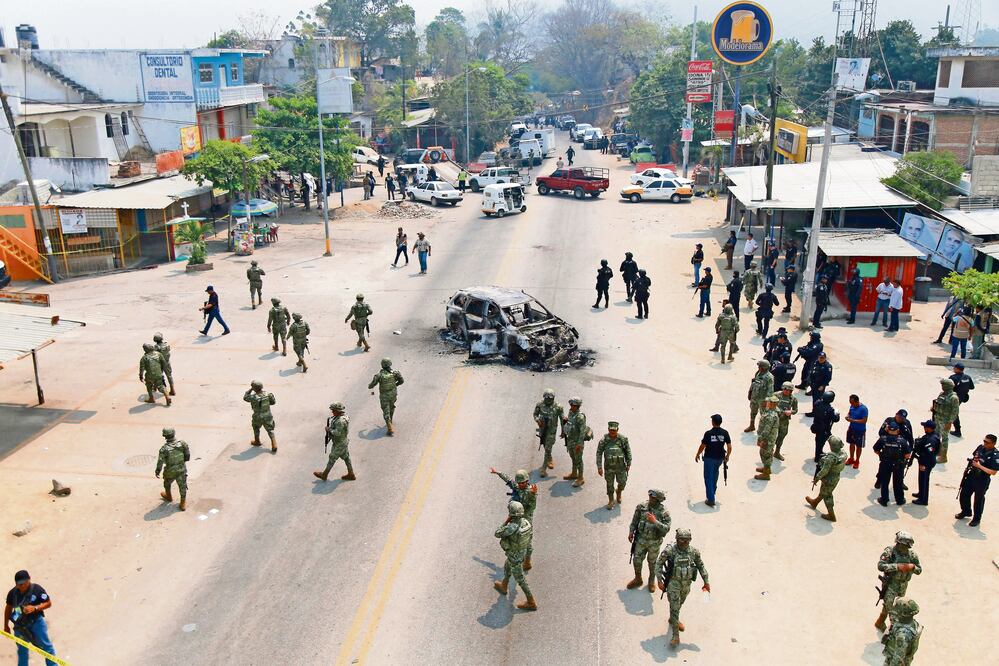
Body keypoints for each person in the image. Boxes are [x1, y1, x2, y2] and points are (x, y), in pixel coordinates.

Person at [655, 529, 709, 648]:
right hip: (673, 585)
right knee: (674, 607)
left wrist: (706, 582)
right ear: (677, 539)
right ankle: (675, 636)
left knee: (680, 604)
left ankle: (673, 619)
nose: (684, 542)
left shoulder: (693, 552)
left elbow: (701, 566)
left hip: (686, 585)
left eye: (687, 540)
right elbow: (658, 564)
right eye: (681, 540)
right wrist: (659, 580)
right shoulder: (670, 551)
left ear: (690, 540)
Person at [4, 570, 57, 666]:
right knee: (22, 651)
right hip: (20, 627)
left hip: (36, 623)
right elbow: (8, 608)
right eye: (19, 584)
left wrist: (35, 608)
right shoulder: (12, 594)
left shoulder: (37, 589)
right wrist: (6, 625)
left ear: (29, 579)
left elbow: (48, 603)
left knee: (47, 647)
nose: (22, 586)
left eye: (24, 583)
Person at [493, 500, 537, 610]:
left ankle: (531, 602)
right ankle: (504, 585)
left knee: (520, 579)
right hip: (521, 552)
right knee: (507, 566)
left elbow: (497, 533)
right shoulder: (526, 522)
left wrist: (506, 521)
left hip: (514, 556)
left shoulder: (512, 527)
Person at [491, 468, 538, 569]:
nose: (520, 485)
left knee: (527, 541)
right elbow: (508, 480)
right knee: (512, 538)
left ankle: (527, 561)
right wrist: (498, 472)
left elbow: (532, 507)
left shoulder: (531, 492)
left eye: (522, 483)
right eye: (519, 483)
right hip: (516, 516)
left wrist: (533, 495)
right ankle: (516, 556)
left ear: (527, 481)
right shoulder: (517, 486)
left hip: (526, 519)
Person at [874, 531, 921, 631]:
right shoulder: (890, 551)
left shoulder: (912, 555)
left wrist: (912, 567)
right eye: (902, 545)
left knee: (897, 606)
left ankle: (880, 622)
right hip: (891, 584)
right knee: (892, 609)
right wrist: (897, 567)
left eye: (906, 546)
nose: (904, 548)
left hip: (903, 585)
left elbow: (919, 570)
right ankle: (893, 631)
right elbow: (881, 566)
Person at [627, 489, 672, 592]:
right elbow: (634, 521)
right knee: (637, 560)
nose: (650, 498)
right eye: (650, 496)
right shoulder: (642, 507)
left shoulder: (664, 513)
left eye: (653, 497)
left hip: (654, 543)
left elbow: (666, 528)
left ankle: (651, 581)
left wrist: (655, 521)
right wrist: (631, 531)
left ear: (659, 500)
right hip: (641, 540)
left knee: (652, 563)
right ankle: (638, 579)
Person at [956, 433, 999, 527]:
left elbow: (993, 472)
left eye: (987, 442)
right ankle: (966, 511)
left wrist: (979, 466)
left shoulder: (995, 455)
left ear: (993, 444)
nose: (984, 443)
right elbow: (974, 457)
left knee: (978, 500)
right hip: (972, 475)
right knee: (964, 494)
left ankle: (976, 519)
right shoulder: (980, 447)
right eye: (984, 441)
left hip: (982, 479)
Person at [804, 435, 847, 521]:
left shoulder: (830, 458)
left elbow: (825, 470)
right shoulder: (843, 454)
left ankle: (831, 515)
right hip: (836, 476)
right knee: (824, 491)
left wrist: (817, 478)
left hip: (829, 478)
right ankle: (814, 502)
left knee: (827, 495)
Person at [873, 421, 911, 507]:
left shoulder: (883, 439)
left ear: (888, 429)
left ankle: (884, 500)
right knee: (898, 482)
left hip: (885, 464)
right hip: (898, 465)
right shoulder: (902, 441)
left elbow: (875, 449)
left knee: (885, 482)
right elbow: (908, 454)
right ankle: (900, 500)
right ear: (898, 430)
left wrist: (881, 455)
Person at [696, 414, 731, 507]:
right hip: (720, 458)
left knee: (708, 477)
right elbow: (729, 446)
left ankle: (711, 499)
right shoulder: (725, 433)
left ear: (713, 422)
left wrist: (698, 454)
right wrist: (727, 456)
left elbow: (702, 446)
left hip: (709, 458)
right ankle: (713, 491)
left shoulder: (708, 433)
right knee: (715, 474)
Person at [596, 421, 632, 509]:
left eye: (614, 430)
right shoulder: (603, 441)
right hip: (609, 468)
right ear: (608, 429)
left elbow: (628, 451)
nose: (612, 432)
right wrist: (599, 467)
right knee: (609, 484)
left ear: (617, 430)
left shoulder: (623, 439)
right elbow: (599, 453)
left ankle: (619, 491)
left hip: (621, 467)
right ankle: (611, 500)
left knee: (622, 483)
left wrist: (629, 463)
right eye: (611, 430)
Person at [315, 402, 355, 481]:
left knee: (332, 458)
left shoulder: (340, 421)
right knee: (346, 457)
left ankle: (324, 475)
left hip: (339, 443)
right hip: (342, 442)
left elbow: (337, 433)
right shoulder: (342, 417)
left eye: (333, 410)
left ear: (338, 411)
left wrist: (329, 429)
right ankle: (351, 474)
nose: (332, 412)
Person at [155, 427, 190, 511]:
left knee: (167, 483)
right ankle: (183, 503)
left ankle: (169, 496)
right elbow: (187, 456)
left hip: (170, 471)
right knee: (182, 486)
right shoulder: (182, 443)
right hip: (181, 469)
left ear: (164, 436)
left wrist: (157, 471)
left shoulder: (164, 449)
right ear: (174, 433)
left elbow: (160, 461)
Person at [533, 389, 565, 477]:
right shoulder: (539, 404)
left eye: (550, 399)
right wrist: (538, 420)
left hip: (552, 430)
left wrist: (563, 431)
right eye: (546, 398)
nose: (548, 400)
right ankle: (549, 458)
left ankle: (543, 468)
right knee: (544, 444)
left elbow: (562, 419)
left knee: (548, 448)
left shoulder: (558, 407)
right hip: (542, 429)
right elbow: (535, 414)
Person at [368, 358, 404, 436]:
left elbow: (371, 385)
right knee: (392, 406)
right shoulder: (395, 373)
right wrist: (395, 385)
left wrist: (369, 386)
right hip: (393, 394)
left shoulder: (379, 375)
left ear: (382, 365)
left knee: (385, 410)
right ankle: (390, 420)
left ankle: (389, 427)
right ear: (390, 364)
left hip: (384, 395)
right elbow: (401, 381)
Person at [881, 597, 922, 665]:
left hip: (894, 660)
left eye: (897, 609)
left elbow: (898, 659)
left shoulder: (902, 635)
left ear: (903, 613)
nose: (895, 610)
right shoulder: (913, 623)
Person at [562, 397, 591, 486]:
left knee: (578, 460)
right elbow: (569, 424)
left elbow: (582, 431)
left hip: (577, 442)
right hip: (570, 439)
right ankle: (574, 473)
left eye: (574, 405)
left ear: (578, 406)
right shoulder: (571, 413)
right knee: (573, 457)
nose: (572, 407)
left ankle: (580, 478)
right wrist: (564, 431)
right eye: (571, 405)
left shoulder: (580, 417)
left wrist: (579, 444)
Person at [910, 420, 940, 506]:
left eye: (925, 427)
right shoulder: (929, 435)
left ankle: (923, 500)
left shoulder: (932, 439)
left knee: (924, 480)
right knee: (921, 478)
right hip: (924, 460)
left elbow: (929, 453)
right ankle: (921, 493)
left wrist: (923, 463)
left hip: (926, 462)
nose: (924, 428)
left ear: (930, 428)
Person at [932, 377, 961, 463]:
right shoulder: (942, 394)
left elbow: (955, 412)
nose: (942, 387)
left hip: (945, 421)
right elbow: (938, 403)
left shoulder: (953, 398)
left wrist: (950, 422)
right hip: (938, 418)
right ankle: (938, 451)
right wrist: (933, 408)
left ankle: (943, 457)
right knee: (936, 436)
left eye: (944, 385)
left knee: (944, 439)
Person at [243, 380, 277, 453]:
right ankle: (274, 444)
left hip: (257, 416)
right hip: (268, 415)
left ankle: (257, 441)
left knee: (256, 427)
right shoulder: (268, 394)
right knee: (270, 429)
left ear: (254, 388)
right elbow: (273, 402)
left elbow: (245, 397)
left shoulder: (253, 397)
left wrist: (250, 389)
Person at [754, 395, 780, 481]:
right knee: (767, 453)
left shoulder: (770, 416)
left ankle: (766, 475)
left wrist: (760, 439)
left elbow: (766, 430)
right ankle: (766, 469)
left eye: (768, 402)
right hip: (769, 438)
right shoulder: (771, 412)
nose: (766, 402)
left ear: (771, 404)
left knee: (765, 454)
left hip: (767, 439)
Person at [745, 359, 774, 433]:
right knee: (753, 412)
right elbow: (754, 383)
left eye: (760, 366)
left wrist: (766, 401)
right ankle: (752, 426)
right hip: (754, 397)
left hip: (762, 400)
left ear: (764, 367)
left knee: (763, 415)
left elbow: (770, 391)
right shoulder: (758, 373)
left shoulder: (769, 377)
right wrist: (750, 392)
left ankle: (761, 429)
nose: (758, 368)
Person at [810, 391, 840, 463]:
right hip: (824, 429)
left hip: (816, 426)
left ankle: (819, 452)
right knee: (820, 442)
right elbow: (835, 419)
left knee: (818, 441)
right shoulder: (830, 409)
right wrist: (837, 414)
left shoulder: (817, 403)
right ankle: (817, 457)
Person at [139, 343, 171, 407]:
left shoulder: (144, 358)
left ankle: (151, 398)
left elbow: (141, 368)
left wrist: (141, 376)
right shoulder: (159, 354)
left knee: (149, 385)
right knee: (161, 386)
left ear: (145, 350)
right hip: (159, 373)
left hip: (149, 375)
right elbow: (164, 363)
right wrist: (162, 371)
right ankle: (167, 397)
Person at [949, 362, 974, 438]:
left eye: (954, 368)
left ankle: (958, 431)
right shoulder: (968, 377)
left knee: (954, 413)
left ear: (957, 369)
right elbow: (972, 387)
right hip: (962, 398)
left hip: (953, 398)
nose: (953, 369)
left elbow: (948, 388)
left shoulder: (953, 377)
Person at [774, 382, 798, 462]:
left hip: (784, 421)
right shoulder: (776, 395)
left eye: (789, 390)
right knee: (771, 436)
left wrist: (791, 412)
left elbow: (795, 410)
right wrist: (780, 411)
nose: (787, 391)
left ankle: (777, 452)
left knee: (782, 436)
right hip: (774, 419)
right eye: (786, 389)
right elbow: (769, 405)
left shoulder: (793, 399)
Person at [844, 394, 869, 469]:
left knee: (858, 446)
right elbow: (849, 412)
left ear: (857, 401)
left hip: (860, 431)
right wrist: (847, 416)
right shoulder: (852, 406)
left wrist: (853, 420)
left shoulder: (863, 409)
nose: (851, 404)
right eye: (850, 402)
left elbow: (864, 420)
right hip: (851, 429)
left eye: (852, 403)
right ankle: (851, 458)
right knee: (851, 444)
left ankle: (857, 461)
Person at [805, 351, 833, 416]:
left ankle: (815, 412)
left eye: (823, 358)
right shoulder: (815, 362)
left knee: (817, 400)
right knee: (814, 398)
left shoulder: (828, 366)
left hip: (819, 386)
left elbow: (828, 378)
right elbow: (812, 371)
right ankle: (815, 411)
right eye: (820, 357)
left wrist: (823, 385)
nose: (821, 359)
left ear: (825, 358)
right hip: (813, 383)